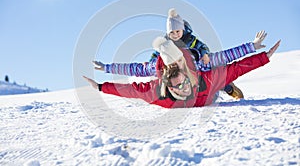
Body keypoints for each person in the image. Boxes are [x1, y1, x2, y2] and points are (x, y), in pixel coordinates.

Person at [83, 37, 280, 108]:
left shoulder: (204, 78)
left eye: (184, 83)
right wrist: (101, 85)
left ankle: (227, 87)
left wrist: (263, 56)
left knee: (222, 76)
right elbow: (130, 89)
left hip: (209, 87)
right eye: (178, 87)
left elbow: (235, 67)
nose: (184, 88)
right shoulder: (157, 93)